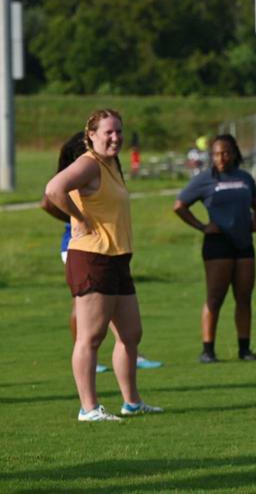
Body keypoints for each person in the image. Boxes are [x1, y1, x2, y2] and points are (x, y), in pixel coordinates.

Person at [43, 109, 163, 422]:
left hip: (117, 258)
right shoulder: (88, 162)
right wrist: (79, 219)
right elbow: (53, 190)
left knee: (131, 333)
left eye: (118, 131)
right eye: (108, 132)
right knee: (91, 337)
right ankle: (89, 408)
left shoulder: (111, 165)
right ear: (91, 136)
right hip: (92, 257)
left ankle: (132, 402)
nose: (115, 137)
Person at [173, 134, 256, 363]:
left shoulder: (245, 178)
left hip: (244, 243)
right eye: (215, 154)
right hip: (218, 244)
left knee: (244, 297)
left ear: (234, 154)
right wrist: (202, 226)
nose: (221, 157)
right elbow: (179, 206)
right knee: (215, 298)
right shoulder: (205, 179)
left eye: (225, 153)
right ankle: (208, 350)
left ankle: (244, 349)